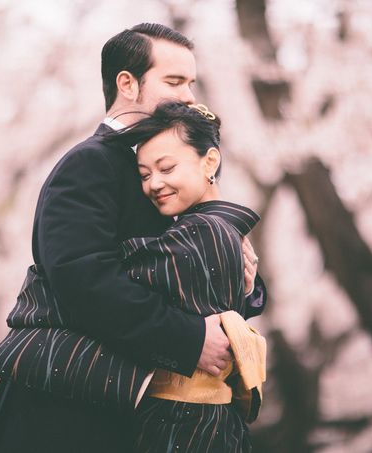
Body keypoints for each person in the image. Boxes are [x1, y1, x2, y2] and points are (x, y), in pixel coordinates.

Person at [0, 23, 266, 453]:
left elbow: (187, 277)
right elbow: (81, 278)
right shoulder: (89, 164)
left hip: (134, 417)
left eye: (191, 82)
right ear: (127, 83)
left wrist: (246, 284)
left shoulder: (167, 166)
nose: (189, 95)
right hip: (61, 415)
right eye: (174, 81)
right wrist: (188, 340)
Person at [111, 100, 265, 452]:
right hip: (205, 421)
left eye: (166, 168)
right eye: (145, 175)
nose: (154, 184)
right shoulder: (221, 229)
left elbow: (110, 279)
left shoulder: (200, 230)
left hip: (183, 422)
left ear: (209, 161)